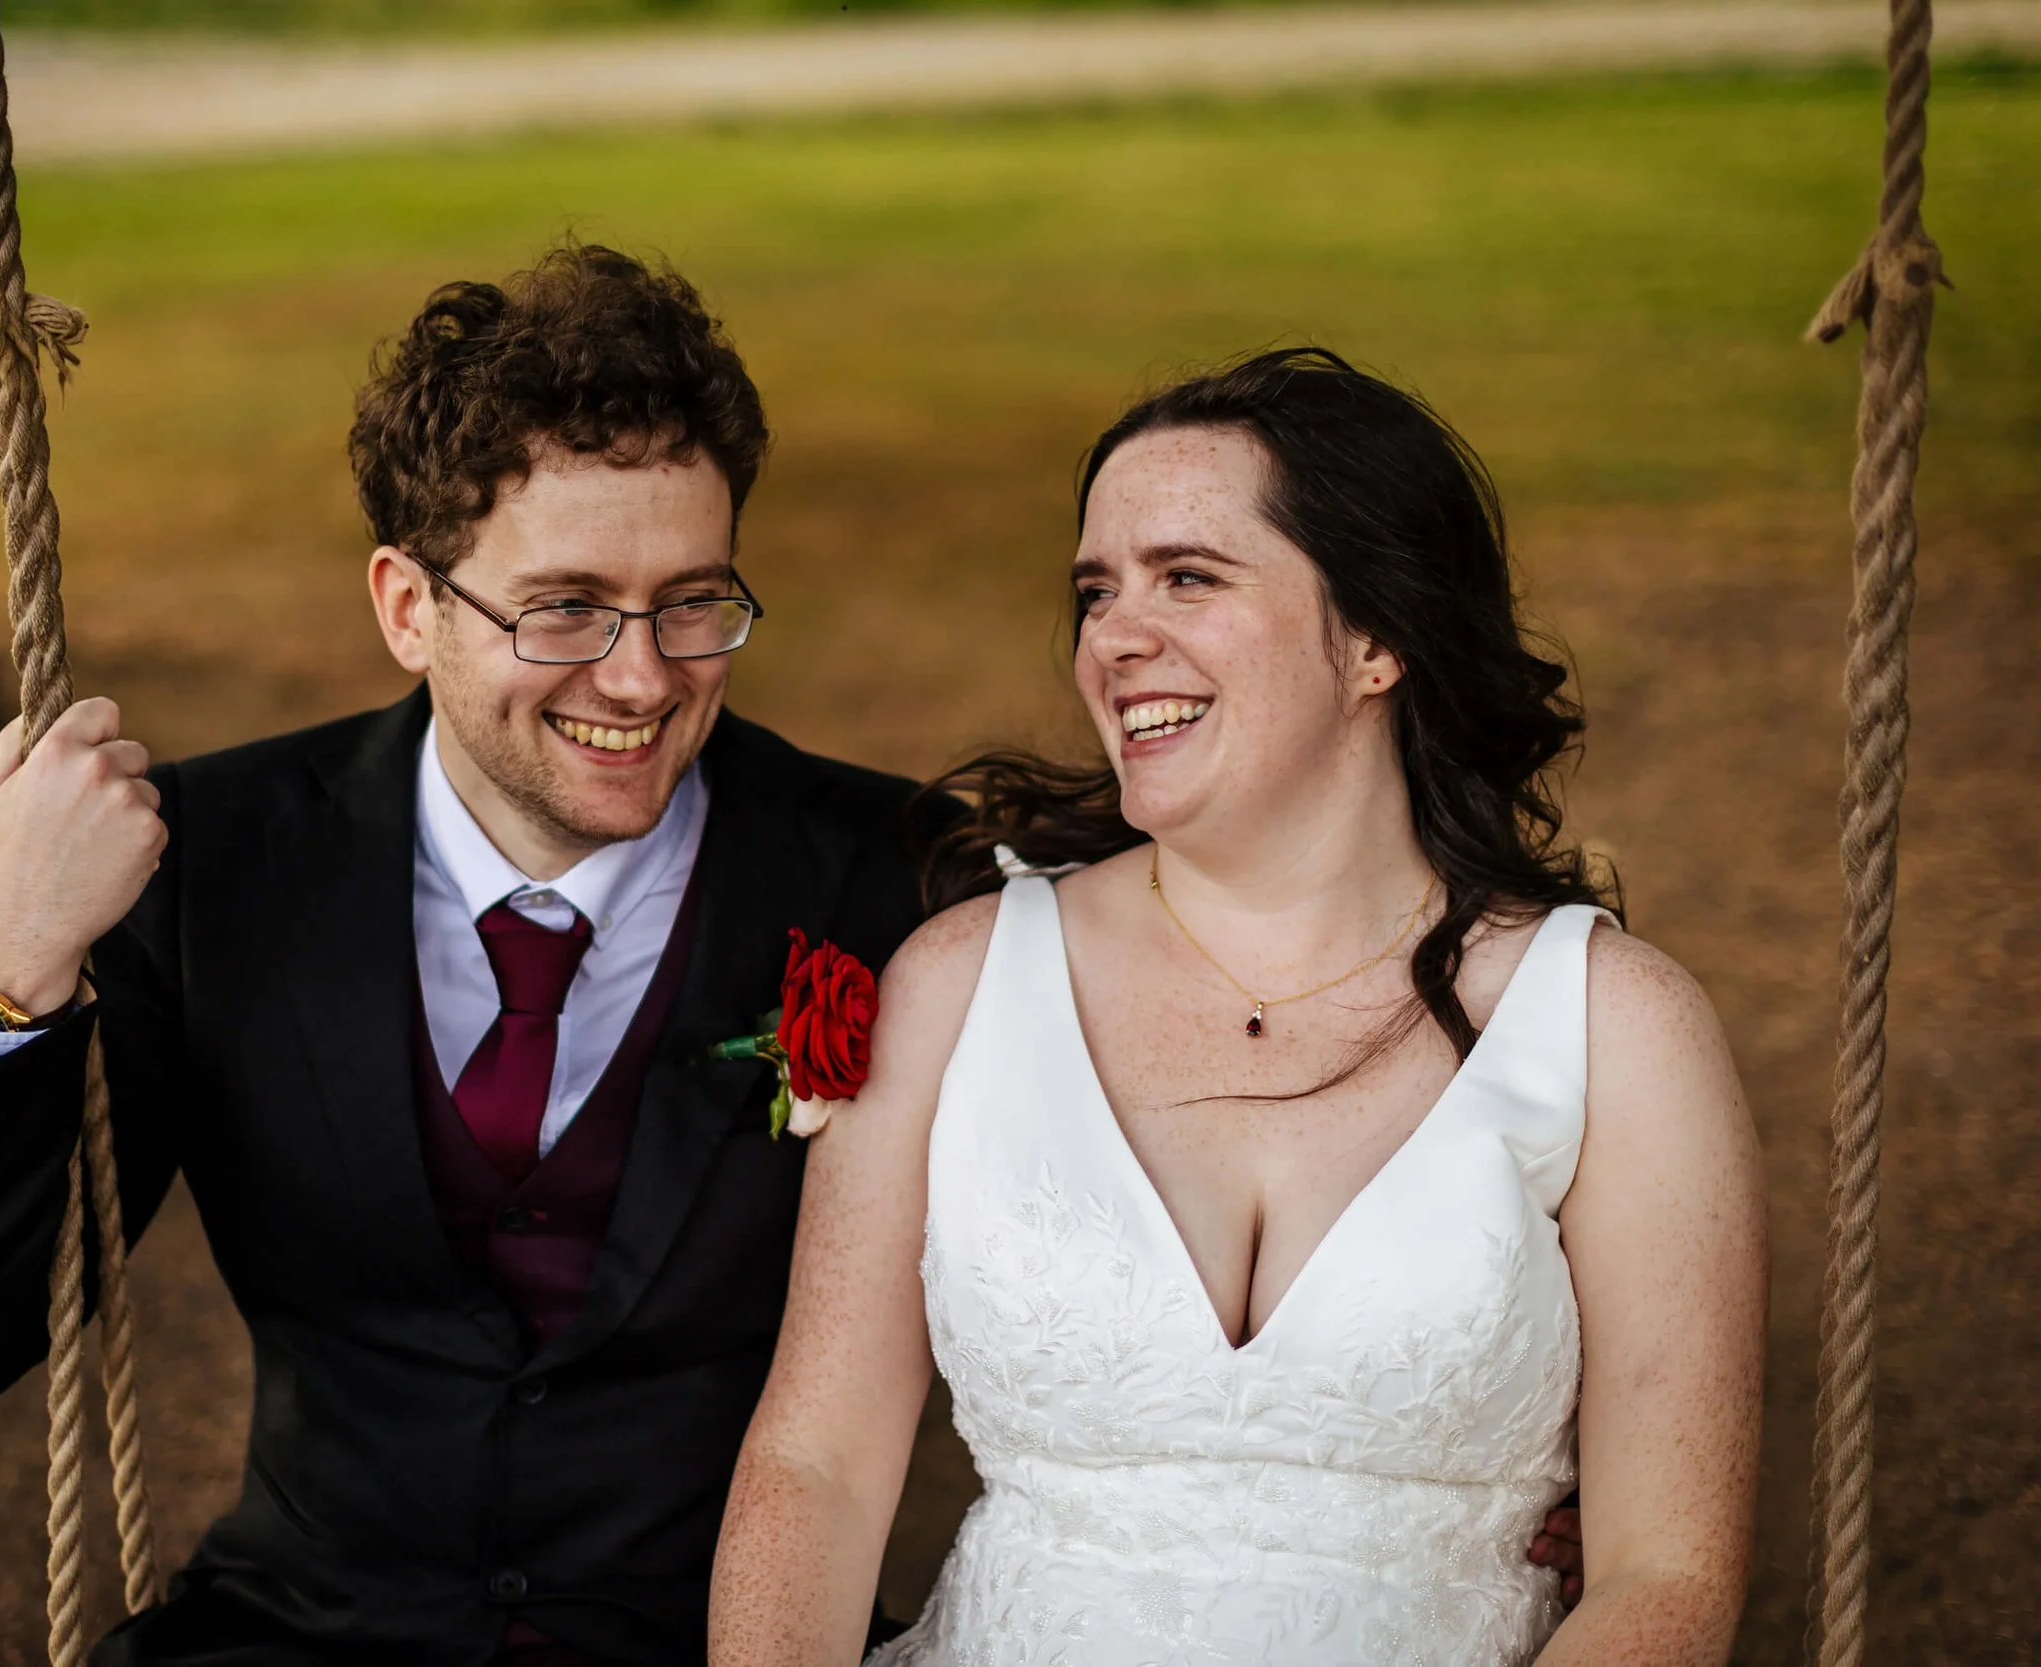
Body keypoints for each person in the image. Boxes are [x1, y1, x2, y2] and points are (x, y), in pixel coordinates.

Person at [0, 247, 1587, 1665]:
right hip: (310, 1630)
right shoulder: (212, 864)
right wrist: (7, 965)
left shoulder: (894, 884)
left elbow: (1261, 941)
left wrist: (1461, 1409)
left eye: (695, 601)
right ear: (406, 603)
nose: (640, 675)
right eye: (563, 610)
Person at [709, 349, 1766, 1666]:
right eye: (1097, 590)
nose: (1114, 636)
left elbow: (1666, 1576)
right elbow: (816, 1461)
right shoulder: (959, 982)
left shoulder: (1615, 1026)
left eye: (1188, 577)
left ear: (1377, 636)